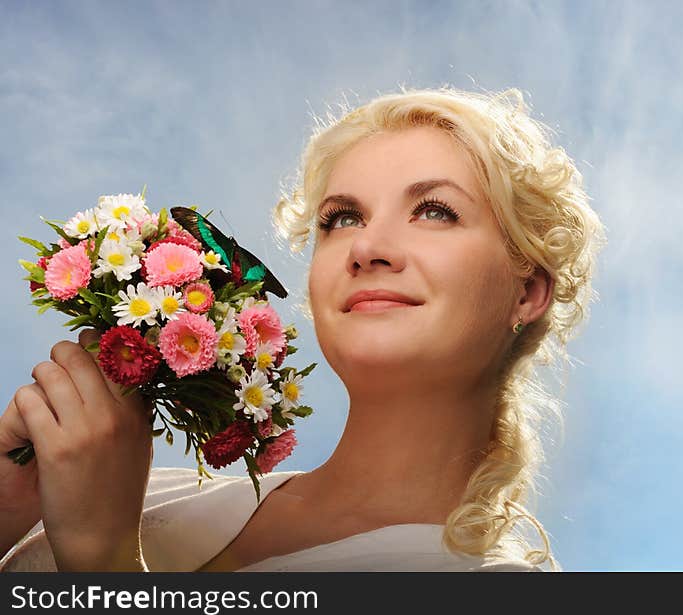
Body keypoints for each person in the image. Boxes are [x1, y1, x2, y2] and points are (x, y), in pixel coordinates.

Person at [0, 86, 606, 572]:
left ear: (526, 292)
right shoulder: (145, 492)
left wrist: (104, 564)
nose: (367, 246)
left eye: (435, 211)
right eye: (342, 219)